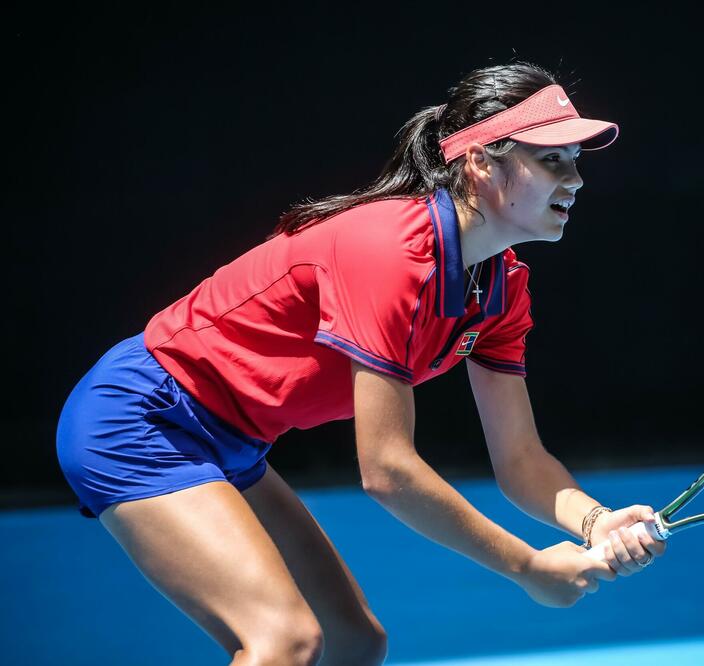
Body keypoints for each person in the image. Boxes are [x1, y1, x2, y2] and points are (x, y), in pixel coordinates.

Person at [56, 61, 666, 666]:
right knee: (285, 642)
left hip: (235, 441)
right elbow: (387, 470)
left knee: (356, 643)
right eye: (551, 159)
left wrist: (596, 522)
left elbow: (520, 458)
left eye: (576, 159)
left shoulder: (502, 290)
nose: (577, 179)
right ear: (482, 161)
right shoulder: (388, 252)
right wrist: (526, 566)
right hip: (143, 419)